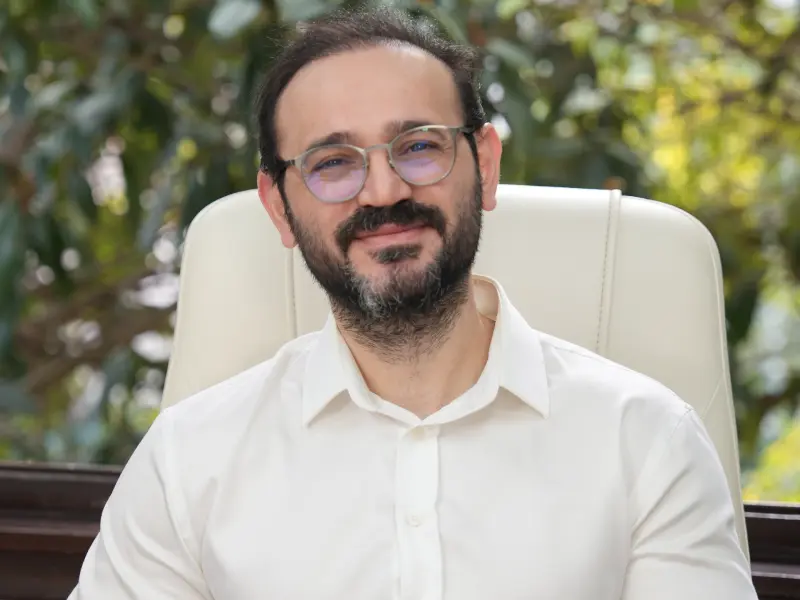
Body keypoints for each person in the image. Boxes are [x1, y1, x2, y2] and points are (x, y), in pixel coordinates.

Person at [68, 7, 758, 600]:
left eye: (419, 147)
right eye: (333, 162)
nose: (383, 192)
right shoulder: (189, 459)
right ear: (279, 207)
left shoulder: (646, 440)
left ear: (484, 166)